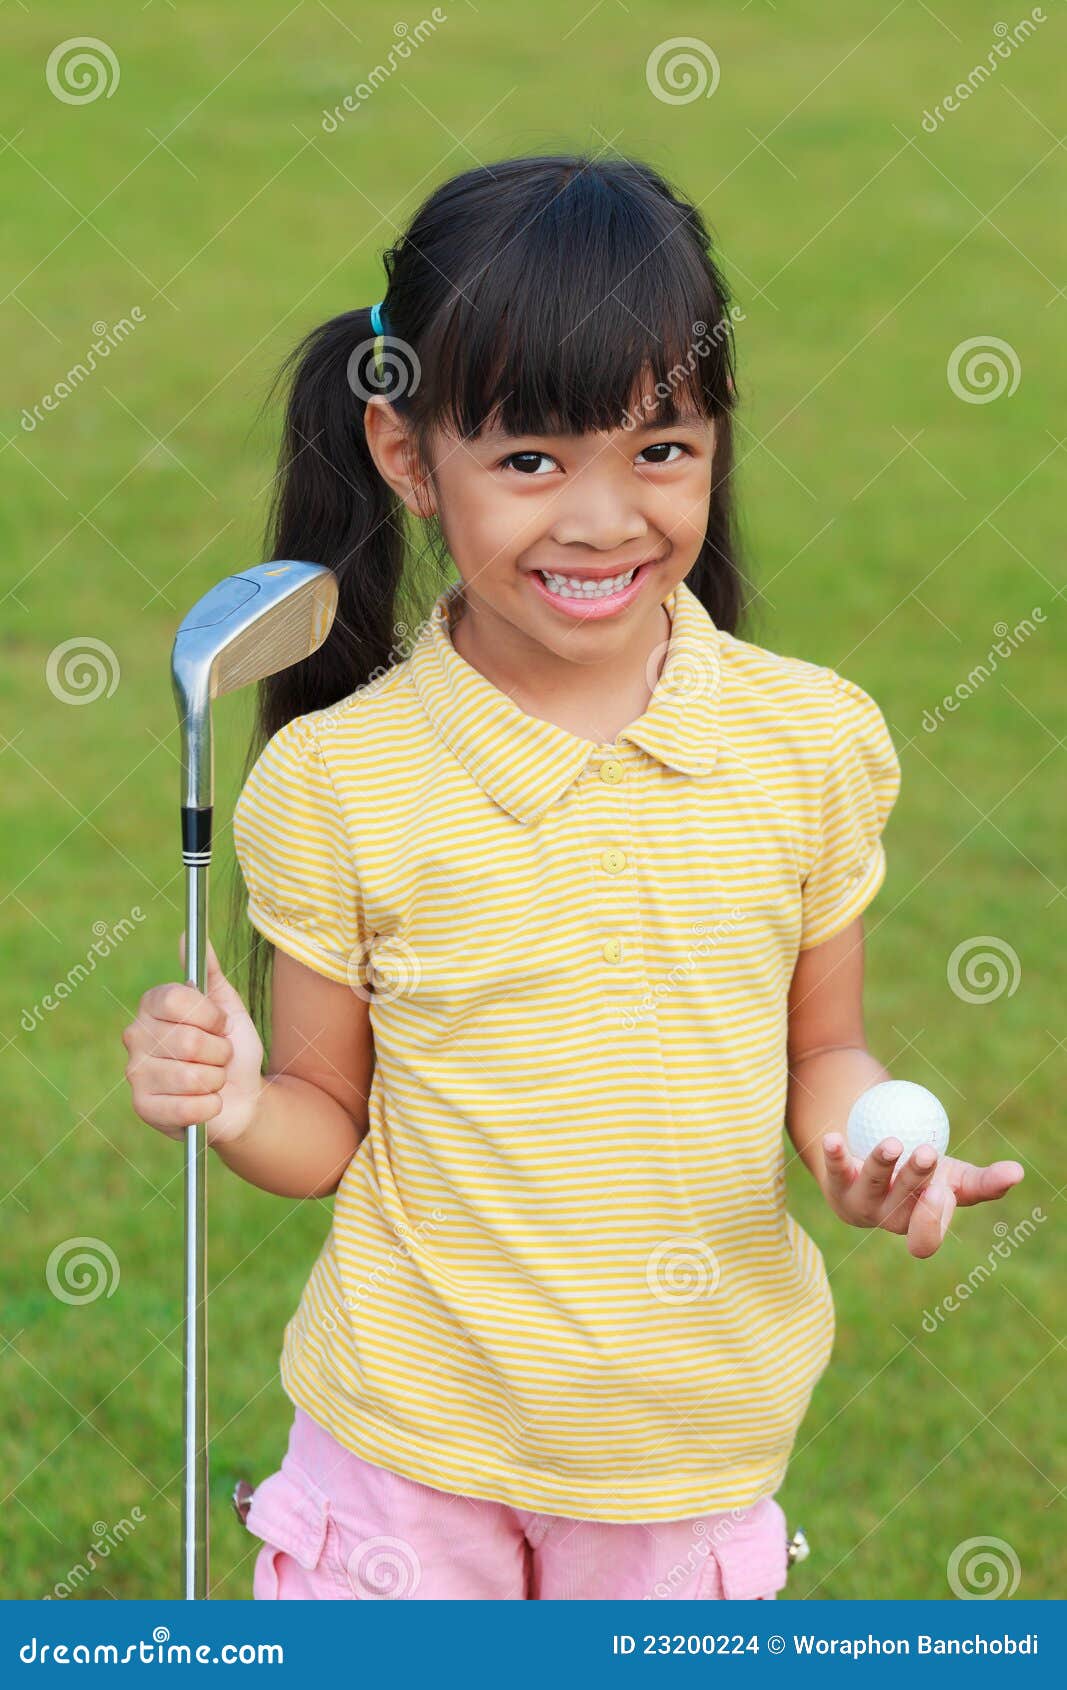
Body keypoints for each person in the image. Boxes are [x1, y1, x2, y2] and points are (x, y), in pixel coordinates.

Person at [122, 152, 1025, 1601]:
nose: (604, 519)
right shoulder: (341, 779)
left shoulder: (806, 742)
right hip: (407, 1451)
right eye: (532, 461)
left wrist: (866, 1146)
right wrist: (235, 1100)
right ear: (411, 458)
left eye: (660, 450)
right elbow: (321, 1127)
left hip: (686, 1454)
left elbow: (824, 1045)